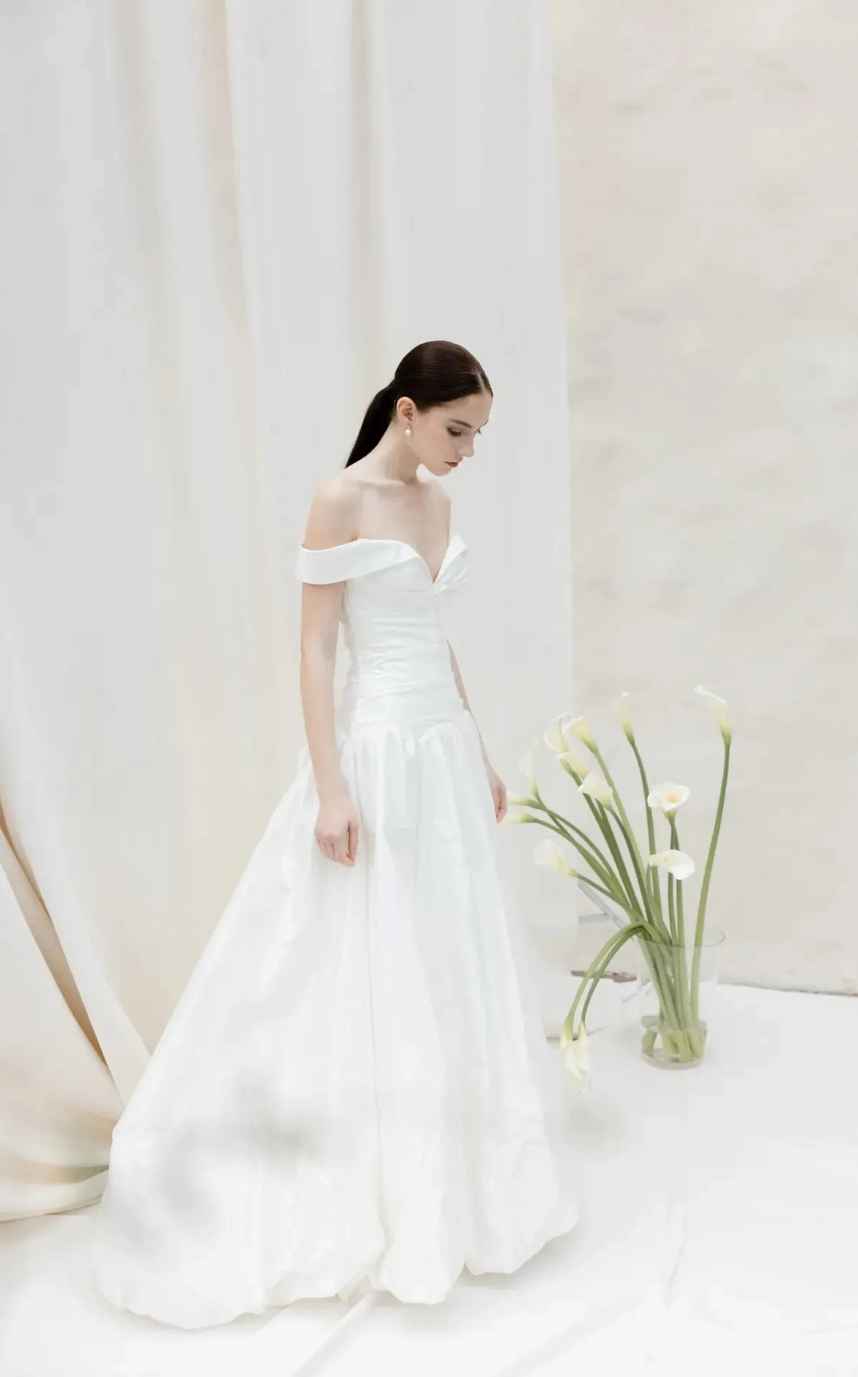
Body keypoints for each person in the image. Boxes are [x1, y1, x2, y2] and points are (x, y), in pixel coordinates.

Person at [90, 340, 582, 1330]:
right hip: (379, 751)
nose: (466, 452)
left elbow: (437, 638)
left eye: (478, 436)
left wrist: (478, 747)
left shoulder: (440, 505)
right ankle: (357, 1178)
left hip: (439, 751)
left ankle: (456, 1177)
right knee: (355, 952)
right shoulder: (340, 500)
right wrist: (329, 784)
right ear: (406, 411)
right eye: (457, 430)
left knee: (446, 950)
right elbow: (317, 647)